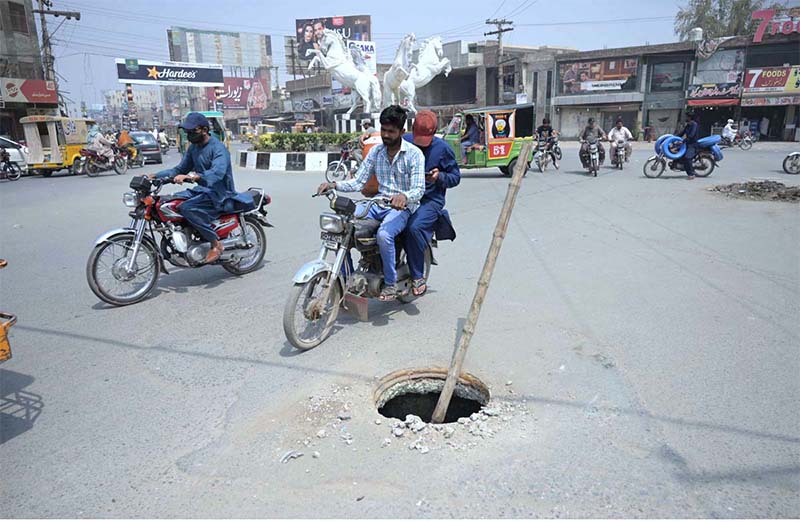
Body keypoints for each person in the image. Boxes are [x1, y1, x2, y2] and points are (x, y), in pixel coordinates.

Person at [316, 105, 425, 301]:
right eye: (383, 129)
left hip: (402, 208)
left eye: (391, 131)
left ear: (402, 132)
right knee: (342, 226)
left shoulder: (414, 154)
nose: (386, 135)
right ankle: (346, 277)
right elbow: (358, 181)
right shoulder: (376, 152)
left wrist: (405, 197)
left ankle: (390, 284)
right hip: (378, 203)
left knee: (384, 234)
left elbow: (419, 189)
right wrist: (334, 184)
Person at [153, 112, 253, 263]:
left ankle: (215, 244)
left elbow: (217, 173)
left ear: (204, 130)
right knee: (170, 202)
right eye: (187, 132)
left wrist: (192, 177)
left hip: (221, 194)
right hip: (203, 191)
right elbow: (179, 170)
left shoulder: (218, 148)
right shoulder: (194, 148)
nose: (189, 135)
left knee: (187, 208)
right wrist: (154, 177)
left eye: (192, 132)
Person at [401, 110, 460, 296]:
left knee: (414, 228)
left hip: (430, 199)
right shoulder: (405, 141)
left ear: (434, 132)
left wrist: (439, 177)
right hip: (403, 196)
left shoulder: (443, 149)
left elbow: (455, 177)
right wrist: (367, 137)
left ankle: (417, 275)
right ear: (412, 129)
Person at [678, 112, 699, 180]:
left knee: (687, 158)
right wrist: (673, 137)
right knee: (681, 156)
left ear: (690, 117)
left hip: (692, 144)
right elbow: (682, 133)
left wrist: (683, 141)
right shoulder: (688, 125)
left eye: (686, 117)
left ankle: (691, 174)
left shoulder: (694, 124)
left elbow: (691, 135)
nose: (685, 118)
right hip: (687, 143)